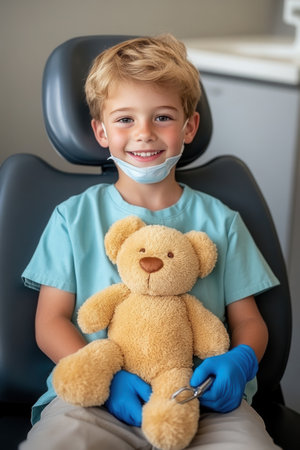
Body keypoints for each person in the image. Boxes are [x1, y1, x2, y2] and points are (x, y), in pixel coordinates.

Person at [20, 34, 280, 449]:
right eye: (125, 119)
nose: (144, 133)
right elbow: (50, 322)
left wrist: (240, 360)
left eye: (162, 117)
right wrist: (105, 377)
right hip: (94, 399)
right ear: (101, 131)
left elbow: (249, 321)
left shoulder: (222, 221)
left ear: (189, 126)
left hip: (202, 400)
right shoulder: (73, 219)